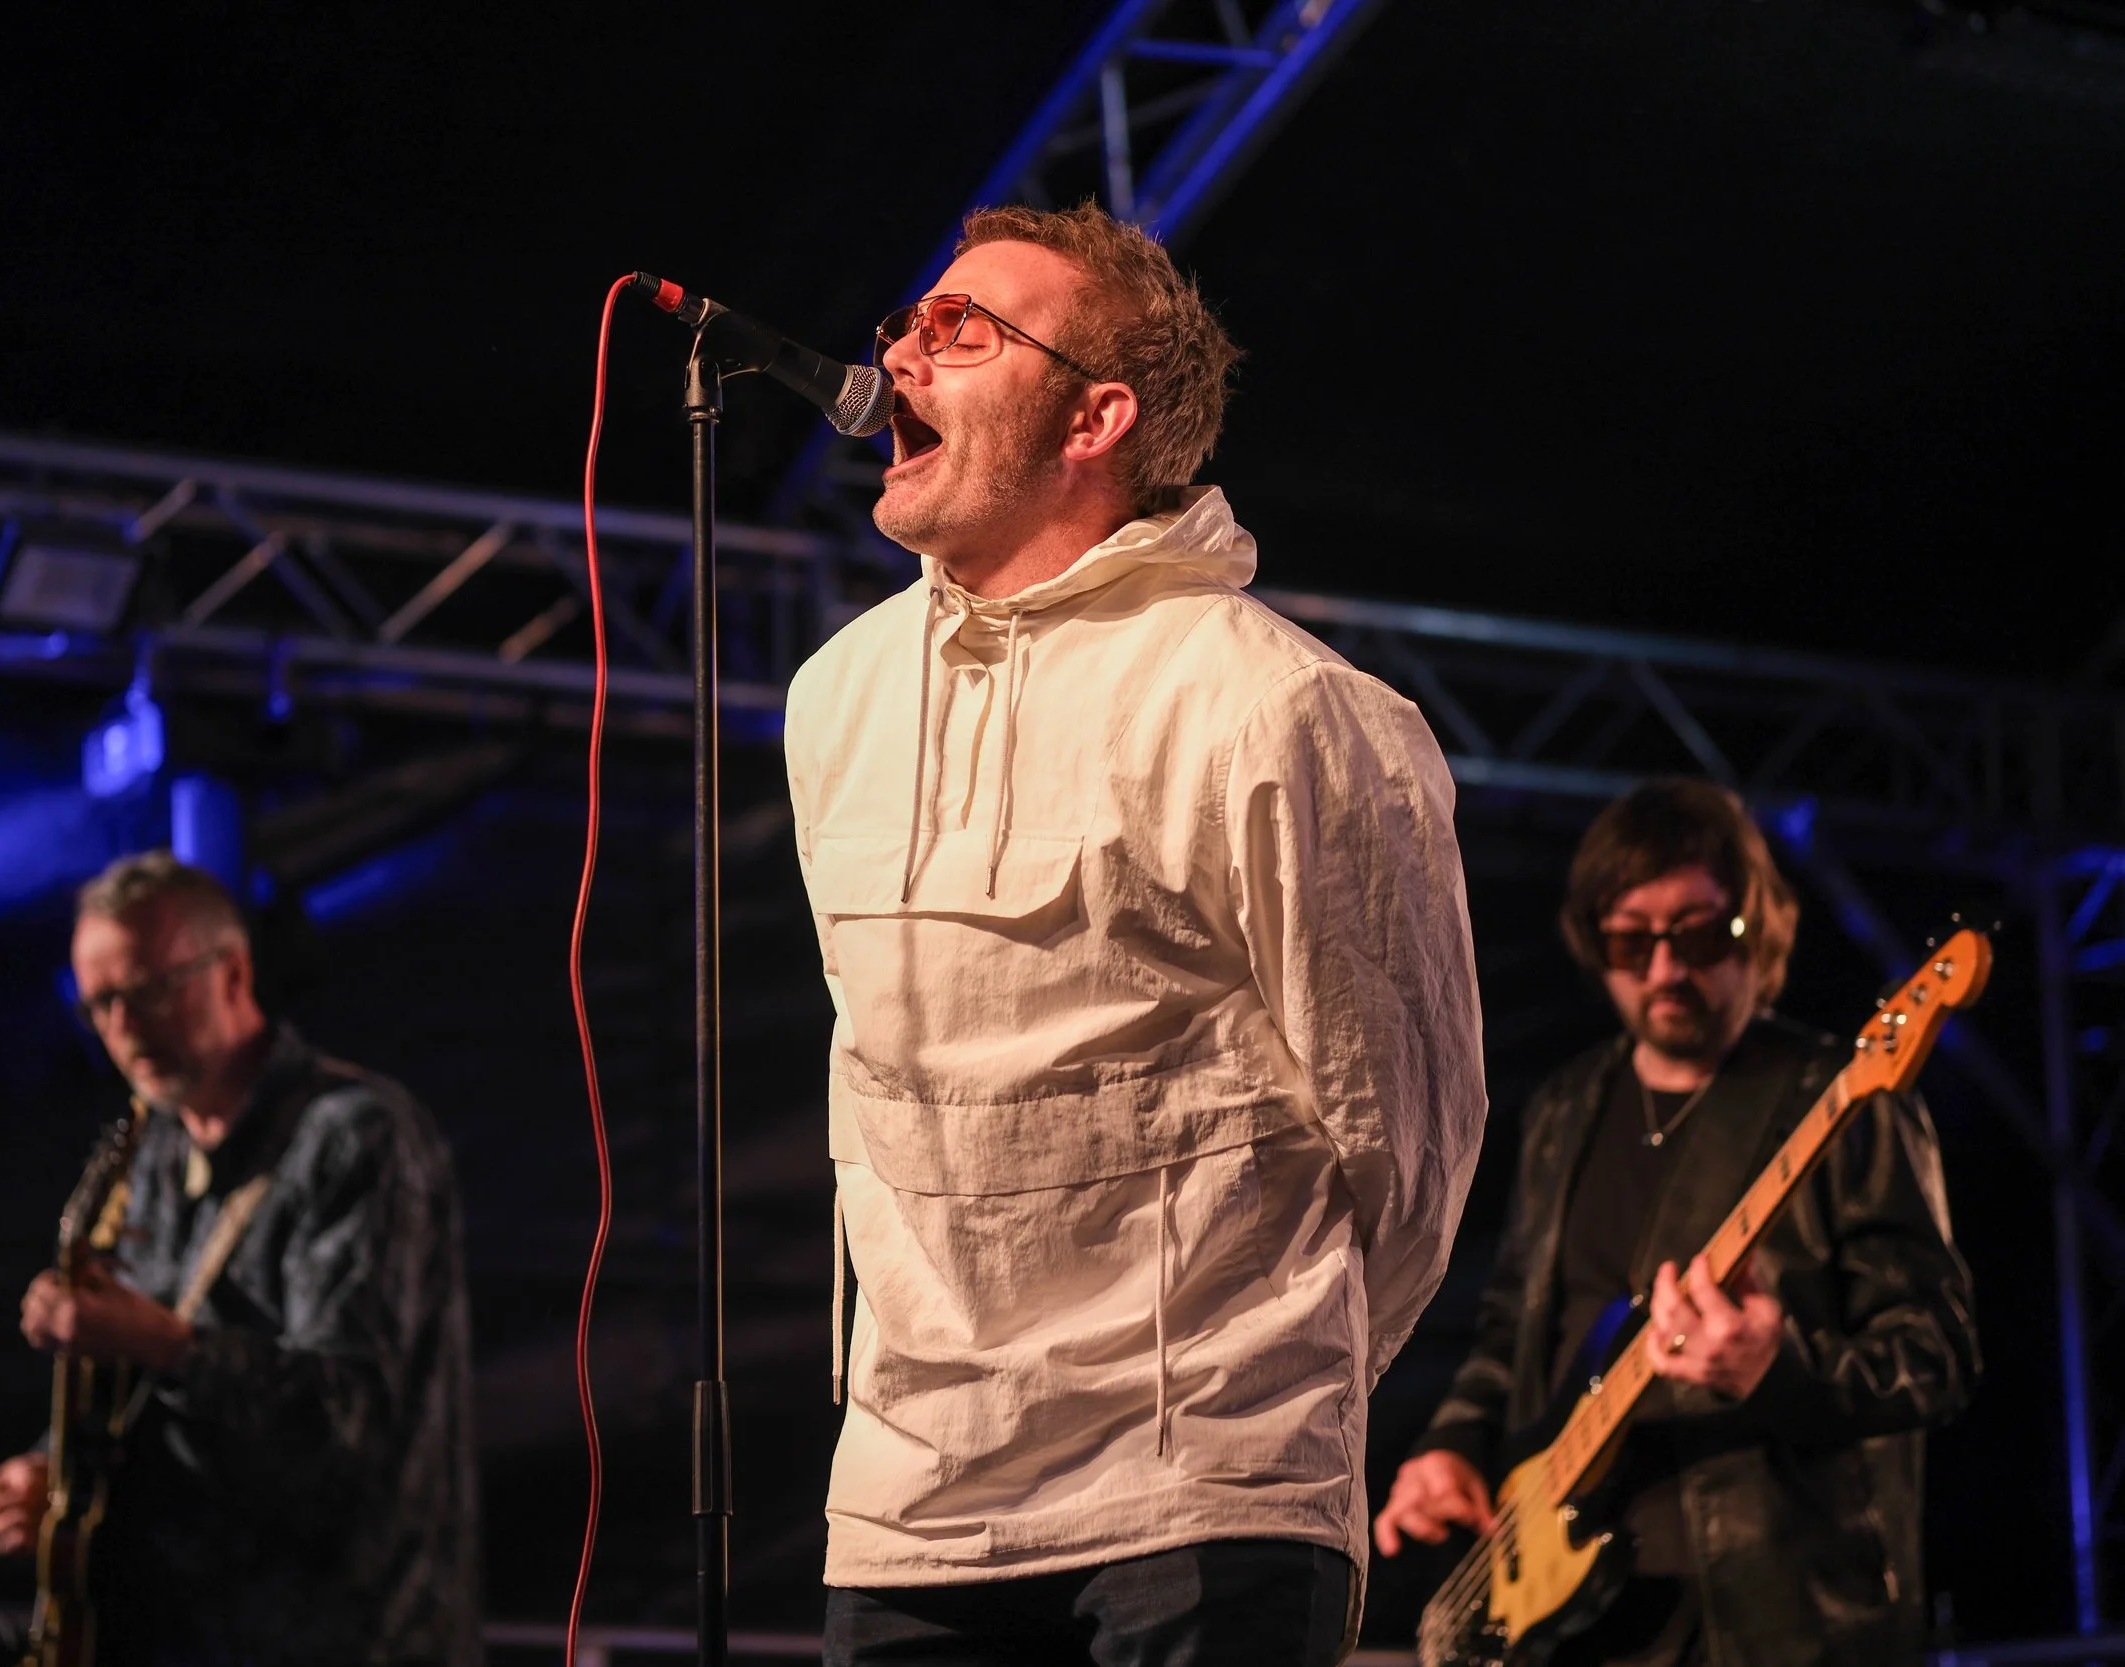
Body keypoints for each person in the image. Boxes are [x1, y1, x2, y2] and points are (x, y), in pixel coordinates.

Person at [784, 200, 1488, 1666]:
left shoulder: (1278, 705)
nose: (902, 354)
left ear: (1095, 417)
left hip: (1200, 1484)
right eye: (909, 322)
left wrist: (1281, 1392)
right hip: (912, 1499)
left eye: (964, 329)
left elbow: (1406, 1138)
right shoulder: (836, 696)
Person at [1373, 779, 1982, 1666]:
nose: (1665, 970)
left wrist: (1779, 1368)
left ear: (1754, 931)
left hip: (1776, 1618)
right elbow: (1511, 1331)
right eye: (1631, 941)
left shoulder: (1844, 1100)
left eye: (1699, 936)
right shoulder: (1565, 1107)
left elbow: (1938, 1354)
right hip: (1570, 1622)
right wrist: (1453, 1444)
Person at [0, 851, 480, 1667]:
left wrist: (162, 1341)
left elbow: (352, 1413)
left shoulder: (355, 1136)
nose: (123, 1026)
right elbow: (137, 1399)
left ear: (233, 971)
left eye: (148, 990)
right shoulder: (154, 1149)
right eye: (99, 1003)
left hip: (349, 1639)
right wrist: (49, 1473)